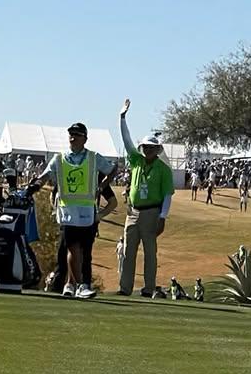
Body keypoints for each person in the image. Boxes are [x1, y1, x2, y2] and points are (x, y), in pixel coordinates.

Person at [27, 122, 115, 299]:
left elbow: (112, 170)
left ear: (85, 139)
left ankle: (73, 284)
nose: (73, 138)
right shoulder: (59, 158)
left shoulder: (93, 157)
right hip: (67, 210)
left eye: (77, 135)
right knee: (73, 248)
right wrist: (34, 186)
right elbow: (45, 176)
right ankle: (81, 285)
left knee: (84, 252)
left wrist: (102, 185)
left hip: (87, 210)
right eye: (71, 135)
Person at [117, 99, 174, 297]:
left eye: (151, 147)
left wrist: (162, 217)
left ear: (157, 150)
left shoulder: (163, 169)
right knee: (128, 251)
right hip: (133, 212)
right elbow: (126, 141)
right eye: (145, 147)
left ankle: (149, 288)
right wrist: (122, 118)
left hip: (152, 212)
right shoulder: (137, 161)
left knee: (150, 253)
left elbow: (167, 195)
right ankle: (125, 288)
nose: (147, 150)